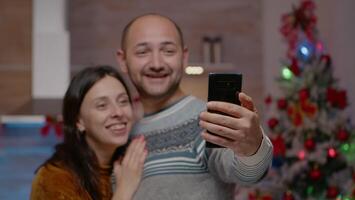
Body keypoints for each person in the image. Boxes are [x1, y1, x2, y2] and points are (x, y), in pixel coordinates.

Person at [116, 14, 273, 200]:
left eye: (168, 51)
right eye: (142, 52)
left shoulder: (206, 120)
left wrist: (252, 146)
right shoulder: (120, 132)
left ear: (184, 57)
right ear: (123, 60)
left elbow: (246, 172)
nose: (156, 64)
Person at [30, 66, 147, 200]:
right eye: (102, 105)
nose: (118, 112)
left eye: (123, 101)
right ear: (78, 121)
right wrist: (124, 191)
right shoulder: (53, 179)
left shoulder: (129, 163)